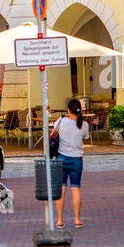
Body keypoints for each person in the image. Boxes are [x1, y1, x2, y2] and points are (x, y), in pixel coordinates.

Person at [50, 97, 92, 228]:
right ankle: (77, 219)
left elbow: (52, 135)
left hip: (61, 158)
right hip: (77, 160)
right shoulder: (84, 125)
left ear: (68, 110)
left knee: (61, 189)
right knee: (76, 188)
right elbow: (85, 137)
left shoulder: (61, 121)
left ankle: (60, 220)